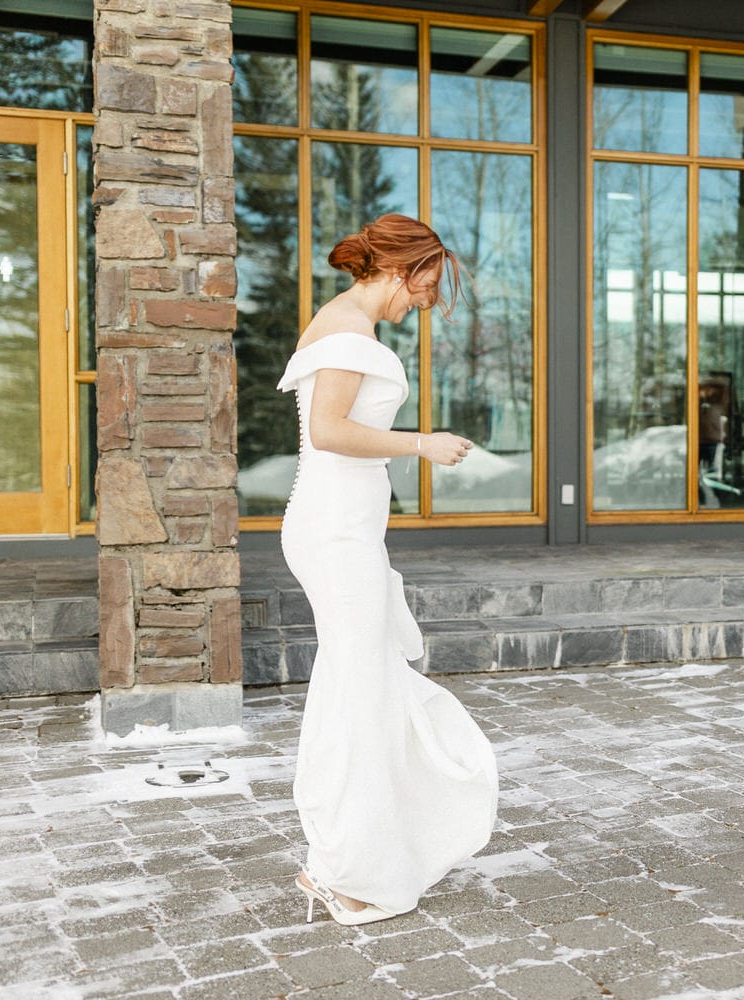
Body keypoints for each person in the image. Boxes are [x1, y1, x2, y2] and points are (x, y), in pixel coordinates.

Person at [277, 214, 498, 926]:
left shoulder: (346, 325)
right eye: (427, 286)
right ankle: (349, 870)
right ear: (401, 268)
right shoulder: (347, 331)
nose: (426, 303)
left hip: (342, 529)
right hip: (336, 532)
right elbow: (329, 431)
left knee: (356, 686)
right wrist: (422, 443)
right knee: (360, 693)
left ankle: (338, 859)